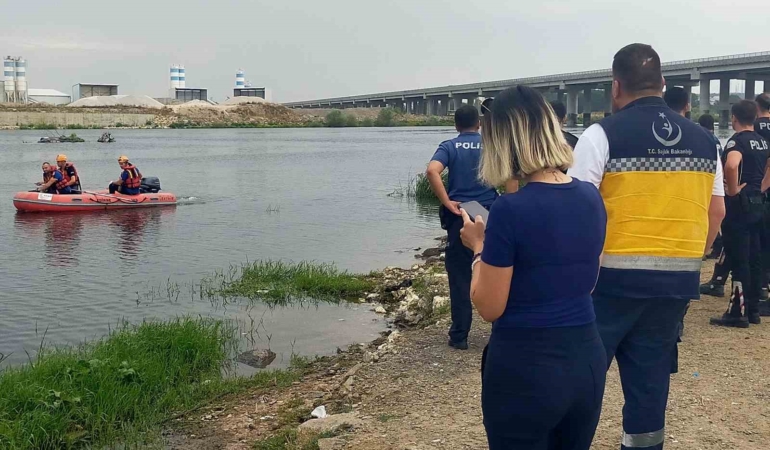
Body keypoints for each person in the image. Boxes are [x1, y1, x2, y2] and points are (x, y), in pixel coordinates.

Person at [569, 43, 724, 450]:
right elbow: (717, 212)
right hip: (675, 287)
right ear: (664, 85)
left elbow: (575, 210)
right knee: (649, 387)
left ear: (616, 86)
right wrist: (692, 260)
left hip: (606, 287)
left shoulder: (600, 135)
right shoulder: (707, 142)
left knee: (580, 379)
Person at [460, 85, 607, 449]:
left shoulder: (511, 210)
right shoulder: (591, 196)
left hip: (526, 366)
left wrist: (479, 248)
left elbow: (489, 306)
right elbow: (588, 282)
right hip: (586, 357)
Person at [426, 105, 506, 350]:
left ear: (456, 126)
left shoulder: (449, 146)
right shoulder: (492, 145)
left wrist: (446, 201)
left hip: (460, 215)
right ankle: (499, 332)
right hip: (487, 214)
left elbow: (432, 171)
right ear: (479, 124)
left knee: (459, 275)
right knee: (496, 269)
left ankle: (459, 336)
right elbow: (511, 175)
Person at [709, 100, 770, 327]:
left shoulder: (736, 141)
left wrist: (733, 190)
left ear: (734, 118)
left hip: (739, 206)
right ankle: (753, 309)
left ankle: (738, 311)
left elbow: (732, 165)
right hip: (758, 202)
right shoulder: (762, 142)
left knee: (738, 256)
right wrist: (761, 187)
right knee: (755, 256)